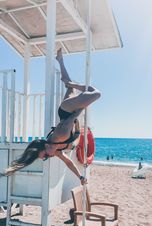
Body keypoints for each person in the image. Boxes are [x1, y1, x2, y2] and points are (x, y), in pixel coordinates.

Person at [0, 49, 101, 185]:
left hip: (68, 110)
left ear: (46, 146)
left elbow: (76, 114)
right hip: (66, 113)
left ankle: (70, 83)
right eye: (46, 158)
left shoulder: (59, 135)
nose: (49, 157)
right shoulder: (55, 148)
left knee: (96, 94)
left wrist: (83, 104)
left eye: (46, 156)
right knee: (70, 88)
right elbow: (69, 162)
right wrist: (80, 177)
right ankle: (60, 61)